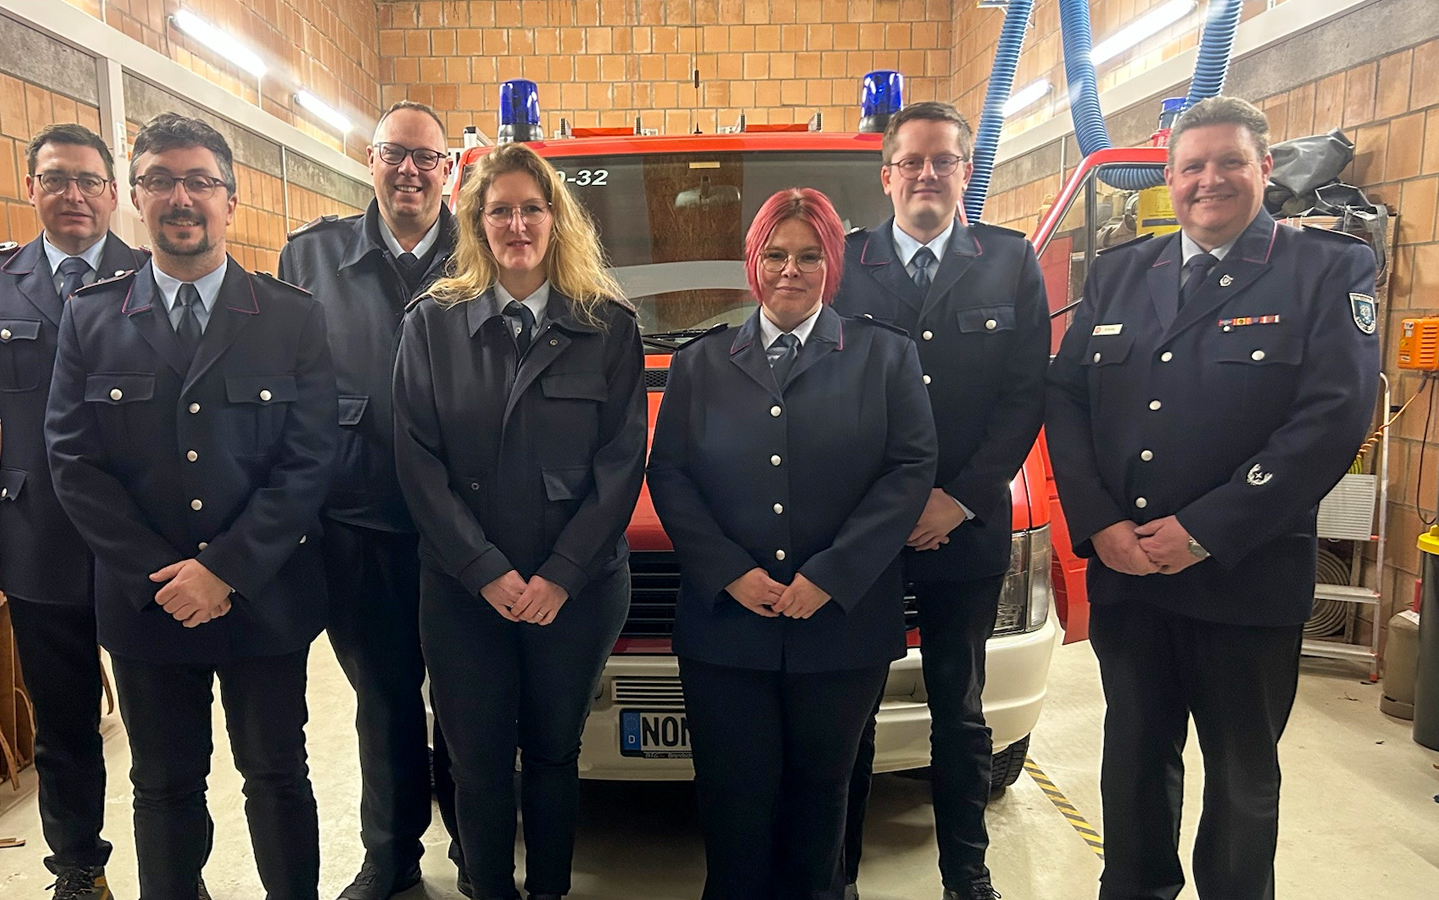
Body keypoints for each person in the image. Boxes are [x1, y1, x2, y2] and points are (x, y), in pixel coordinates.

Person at [1045, 95, 1380, 900]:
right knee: (1132, 761)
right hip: (1129, 574)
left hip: (1243, 575)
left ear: (1264, 168)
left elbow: (1332, 418)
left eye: (1230, 162)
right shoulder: (1124, 271)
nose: (1210, 180)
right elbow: (1068, 397)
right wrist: (1099, 524)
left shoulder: (1325, 268)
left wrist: (1201, 530)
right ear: (1169, 178)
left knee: (1240, 777)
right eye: (1192, 166)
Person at [45, 112, 338, 900]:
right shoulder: (92, 316)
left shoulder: (291, 315)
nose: (182, 198)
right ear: (135, 197)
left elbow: (311, 458)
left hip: (264, 596)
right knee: (164, 785)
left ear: (230, 201)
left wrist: (225, 571)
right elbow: (74, 461)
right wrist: (164, 576)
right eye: (161, 182)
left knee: (277, 775)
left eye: (200, 182)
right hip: (147, 603)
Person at [647, 187, 938, 900]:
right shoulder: (700, 364)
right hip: (727, 628)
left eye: (809, 256)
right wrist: (729, 572)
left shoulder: (884, 356)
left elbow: (909, 470)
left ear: (832, 263)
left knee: (822, 799)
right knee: (733, 801)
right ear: (753, 262)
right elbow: (670, 474)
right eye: (775, 254)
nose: (790, 270)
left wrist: (832, 576)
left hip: (840, 627)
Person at [392, 142, 646, 900]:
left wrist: (560, 576)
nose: (517, 225)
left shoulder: (608, 326)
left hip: (577, 591)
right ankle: (490, 888)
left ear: (556, 219)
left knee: (553, 751)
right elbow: (416, 461)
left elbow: (621, 464)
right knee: (475, 759)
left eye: (532, 209)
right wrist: (485, 572)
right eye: (499, 210)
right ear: (476, 223)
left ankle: (549, 890)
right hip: (464, 591)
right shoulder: (432, 325)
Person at [834, 101, 1049, 900]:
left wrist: (958, 500)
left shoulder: (1010, 261)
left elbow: (1024, 396)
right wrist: (890, 511)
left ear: (966, 172)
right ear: (886, 176)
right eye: (912, 161)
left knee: (960, 712)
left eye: (944, 161)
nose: (927, 174)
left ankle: (968, 875)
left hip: (966, 528)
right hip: (864, 535)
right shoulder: (843, 263)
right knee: (851, 711)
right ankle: (837, 876)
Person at [0, 123, 144, 900]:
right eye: (56, 179)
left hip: (140, 543)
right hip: (38, 540)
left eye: (89, 180)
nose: (74, 195)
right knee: (63, 728)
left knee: (165, 726)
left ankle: (174, 867)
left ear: (114, 194)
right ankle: (79, 870)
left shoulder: (154, 273)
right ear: (30, 188)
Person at [277, 98, 465, 900]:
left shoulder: (484, 248)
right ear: (371, 160)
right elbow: (285, 393)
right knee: (383, 700)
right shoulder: (311, 257)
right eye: (395, 154)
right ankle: (392, 857)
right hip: (358, 524)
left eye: (426, 158)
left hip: (465, 529)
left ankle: (475, 846)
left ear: (448, 170)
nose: (410, 172)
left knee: (465, 699)